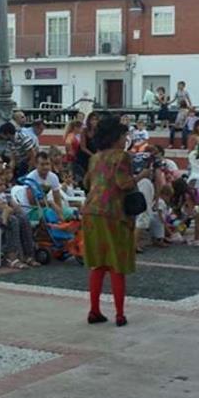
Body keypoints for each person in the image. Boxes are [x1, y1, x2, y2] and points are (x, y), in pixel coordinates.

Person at [81, 115, 136, 327]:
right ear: (116, 136)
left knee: (98, 264)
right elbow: (124, 184)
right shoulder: (122, 157)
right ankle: (120, 314)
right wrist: (142, 176)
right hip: (113, 213)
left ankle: (94, 310)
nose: (125, 139)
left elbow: (87, 181)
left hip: (91, 212)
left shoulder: (95, 157)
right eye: (124, 135)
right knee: (117, 264)